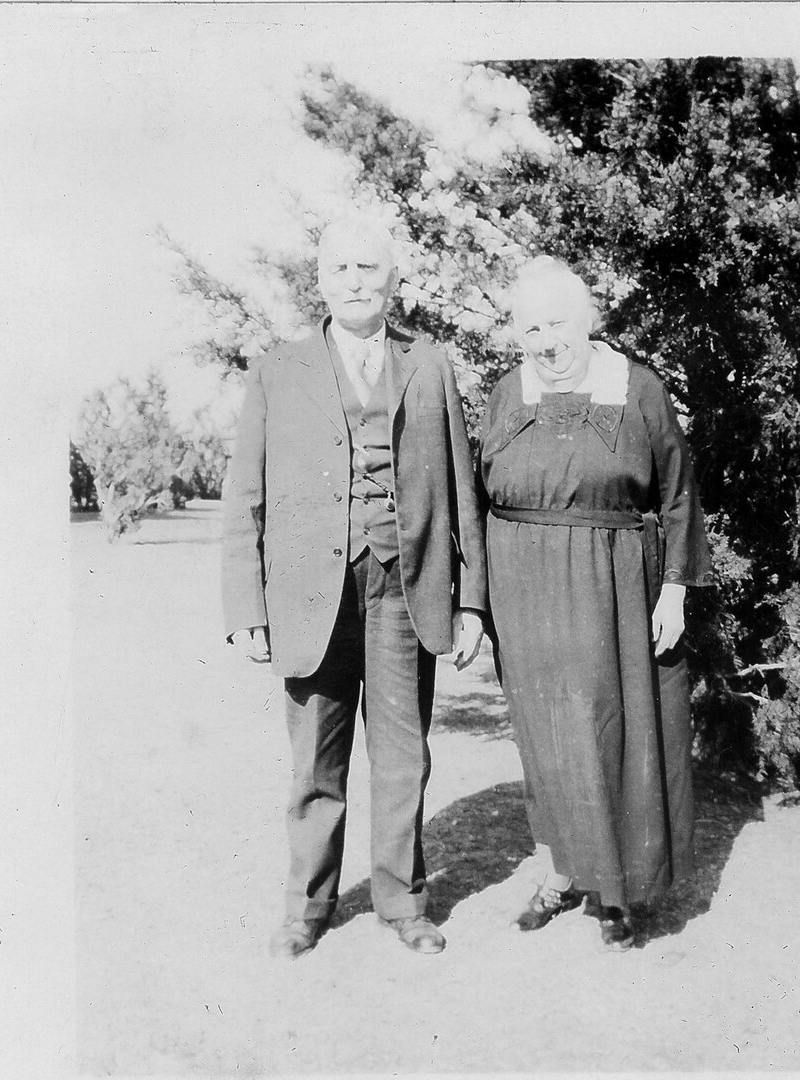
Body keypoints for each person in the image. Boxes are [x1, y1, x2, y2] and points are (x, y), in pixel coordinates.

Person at [221, 213, 487, 959]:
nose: (356, 281)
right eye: (341, 269)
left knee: (405, 756)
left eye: (370, 269)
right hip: (311, 596)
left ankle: (404, 903)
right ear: (321, 281)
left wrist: (471, 599)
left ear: (393, 281)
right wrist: (247, 607)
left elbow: (461, 484)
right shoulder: (280, 368)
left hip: (407, 587)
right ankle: (307, 907)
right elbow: (247, 492)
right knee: (315, 762)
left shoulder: (429, 363)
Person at [478, 256, 713, 950]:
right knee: (545, 738)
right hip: (522, 593)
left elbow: (676, 493)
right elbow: (477, 490)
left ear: (588, 320)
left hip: (612, 587)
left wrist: (674, 587)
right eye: (530, 328)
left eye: (558, 323)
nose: (545, 340)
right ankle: (561, 873)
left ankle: (616, 890)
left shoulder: (637, 388)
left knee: (609, 731)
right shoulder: (504, 393)